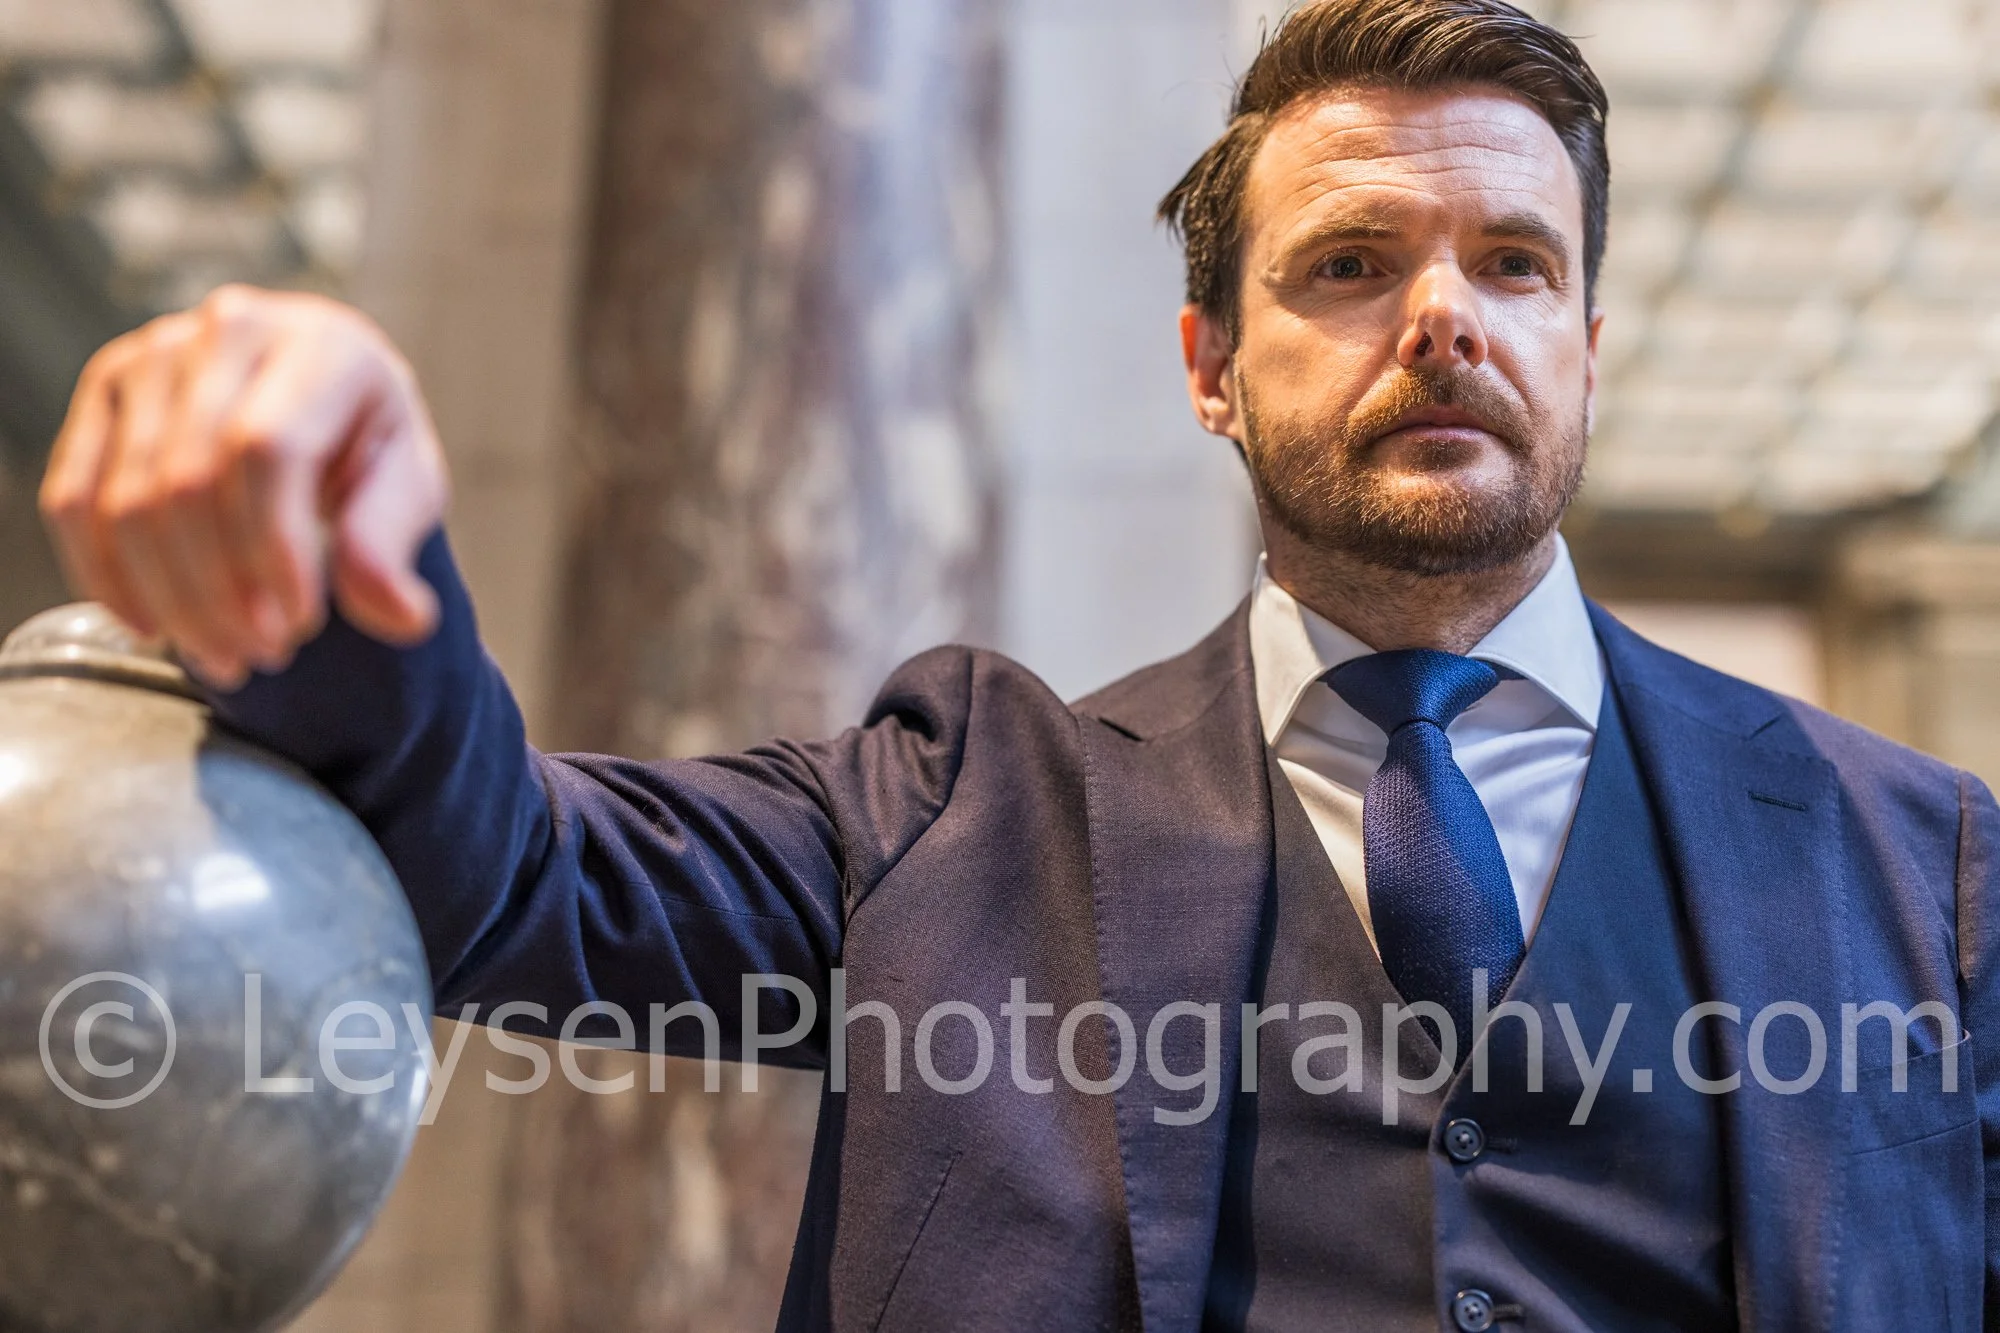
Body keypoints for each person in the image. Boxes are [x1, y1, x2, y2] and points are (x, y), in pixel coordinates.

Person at [36, 1, 1999, 1329]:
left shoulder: (1927, 862)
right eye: (1344, 265)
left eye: (1513, 264)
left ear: (1586, 343)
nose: (1440, 318)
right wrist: (346, 548)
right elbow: (511, 880)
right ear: (1208, 368)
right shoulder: (947, 803)